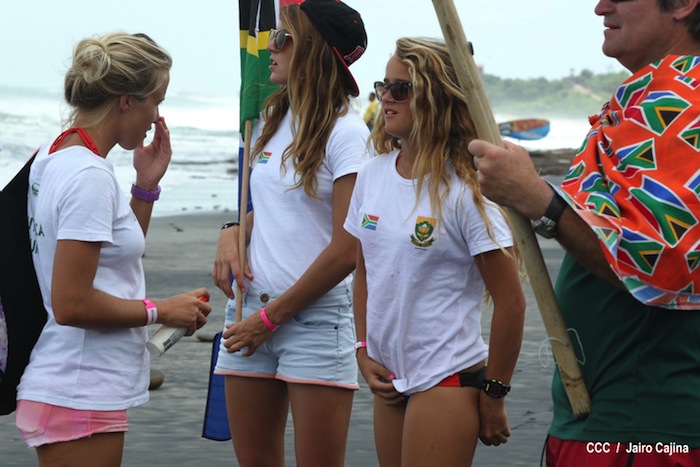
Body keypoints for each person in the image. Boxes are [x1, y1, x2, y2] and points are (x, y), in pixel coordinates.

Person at [468, 1, 700, 465]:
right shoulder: (649, 99)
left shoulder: (685, 102)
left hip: (641, 427)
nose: (600, 6)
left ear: (682, 4)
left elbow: (660, 263)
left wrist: (541, 201)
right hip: (608, 418)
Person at [15, 32, 212, 466]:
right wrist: (161, 310)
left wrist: (145, 187)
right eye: (155, 102)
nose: (156, 117)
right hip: (78, 387)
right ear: (126, 101)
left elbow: (111, 256)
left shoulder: (50, 156)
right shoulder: (89, 175)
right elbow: (71, 303)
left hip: (66, 381)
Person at [344, 37, 526, 467]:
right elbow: (365, 271)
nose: (386, 97)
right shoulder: (371, 175)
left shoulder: (466, 192)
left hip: (446, 376)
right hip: (388, 376)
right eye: (383, 86)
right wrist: (362, 349)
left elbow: (511, 301)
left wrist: (494, 393)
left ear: (436, 97)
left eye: (400, 88)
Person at [210, 1, 368, 466]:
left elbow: (347, 250)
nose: (270, 47)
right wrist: (232, 230)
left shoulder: (346, 134)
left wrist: (271, 319)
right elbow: (270, 208)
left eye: (282, 38)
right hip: (248, 307)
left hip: (313, 320)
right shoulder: (270, 119)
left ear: (314, 49)